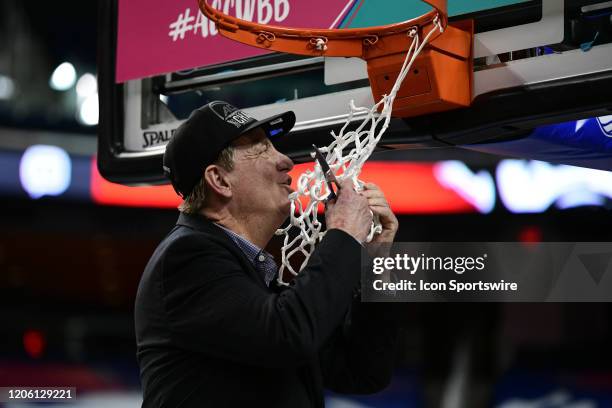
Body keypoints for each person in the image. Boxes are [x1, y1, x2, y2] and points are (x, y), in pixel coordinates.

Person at [134, 100, 400, 407]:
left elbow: (363, 371)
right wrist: (342, 232)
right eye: (262, 149)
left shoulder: (254, 278)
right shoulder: (185, 258)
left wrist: (375, 261)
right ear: (220, 180)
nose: (286, 160)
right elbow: (289, 334)